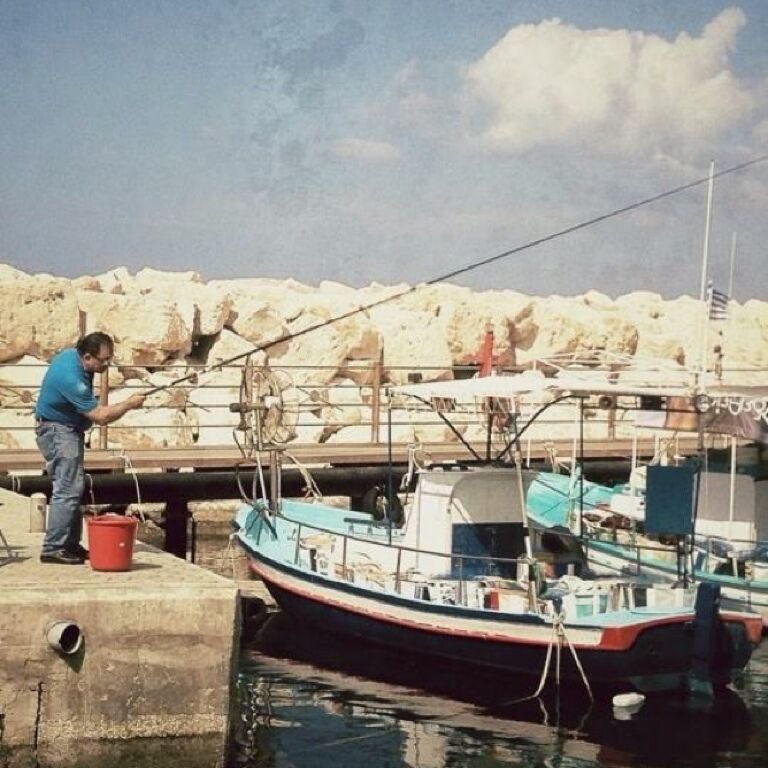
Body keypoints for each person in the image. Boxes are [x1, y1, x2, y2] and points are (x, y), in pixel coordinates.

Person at [34, 332, 145, 564]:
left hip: (65, 429)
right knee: (66, 488)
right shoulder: (71, 379)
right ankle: (53, 547)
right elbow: (101, 416)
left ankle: (70, 545)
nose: (107, 364)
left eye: (109, 358)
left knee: (74, 486)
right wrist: (129, 403)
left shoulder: (69, 357)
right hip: (58, 432)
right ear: (87, 357)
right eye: (103, 360)